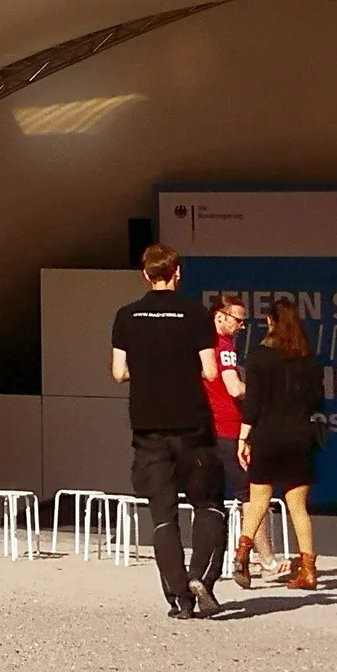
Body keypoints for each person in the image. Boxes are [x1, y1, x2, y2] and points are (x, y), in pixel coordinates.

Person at [110, 244, 227, 619]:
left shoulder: (125, 316)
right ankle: (201, 578)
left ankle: (179, 597)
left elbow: (118, 372)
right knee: (208, 505)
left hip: (147, 428)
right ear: (177, 273)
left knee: (163, 515)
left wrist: (146, 369)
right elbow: (210, 372)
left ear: (145, 274)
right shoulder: (195, 314)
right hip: (192, 426)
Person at [237, 298, 323, 591]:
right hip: (299, 436)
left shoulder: (258, 357)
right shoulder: (308, 359)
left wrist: (242, 437)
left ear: (270, 322)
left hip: (268, 436)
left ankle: (242, 556)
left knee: (258, 499)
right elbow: (317, 400)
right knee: (298, 507)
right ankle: (308, 571)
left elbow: (253, 404)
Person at [206, 297, 249, 550]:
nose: (242, 327)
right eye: (238, 320)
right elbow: (234, 388)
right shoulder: (223, 345)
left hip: (208, 425)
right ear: (220, 316)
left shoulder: (203, 343)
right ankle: (259, 556)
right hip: (228, 425)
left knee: (212, 495)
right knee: (251, 495)